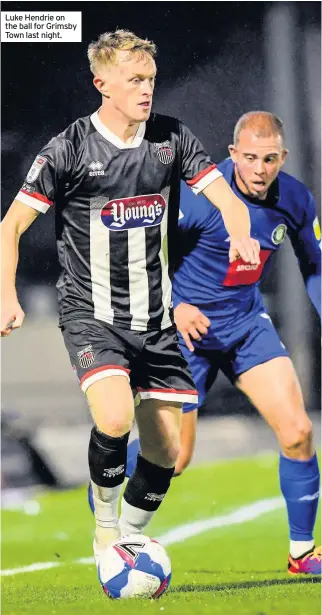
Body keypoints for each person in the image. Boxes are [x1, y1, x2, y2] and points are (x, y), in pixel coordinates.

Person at [0, 30, 259, 585]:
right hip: (91, 313)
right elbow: (11, 227)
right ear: (102, 84)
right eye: (135, 80)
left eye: (151, 80)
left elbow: (223, 197)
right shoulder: (67, 149)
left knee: (165, 452)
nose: (147, 91)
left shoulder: (171, 138)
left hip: (156, 319)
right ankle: (107, 530)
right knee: (114, 417)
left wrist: (240, 230)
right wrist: (5, 294)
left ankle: (133, 535)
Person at [100, 111, 321, 576]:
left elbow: (314, 266)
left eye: (270, 159)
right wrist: (177, 306)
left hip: (245, 324)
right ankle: (110, 466)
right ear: (233, 154)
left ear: (284, 157)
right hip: (186, 334)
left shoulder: (296, 199)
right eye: (251, 159)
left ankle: (302, 555)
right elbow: (146, 255)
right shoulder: (200, 197)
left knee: (299, 432)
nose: (260, 169)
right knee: (175, 459)